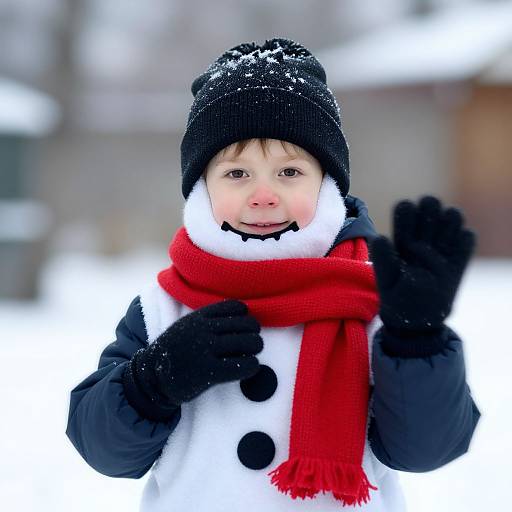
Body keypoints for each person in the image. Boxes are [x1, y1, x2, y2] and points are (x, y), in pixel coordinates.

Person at [65, 38, 481, 511]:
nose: (263, 195)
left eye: (289, 172)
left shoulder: (373, 304)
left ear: (326, 187)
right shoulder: (163, 307)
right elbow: (102, 450)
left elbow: (426, 450)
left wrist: (417, 342)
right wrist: (152, 381)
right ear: (202, 189)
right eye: (237, 174)